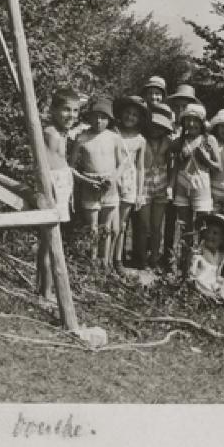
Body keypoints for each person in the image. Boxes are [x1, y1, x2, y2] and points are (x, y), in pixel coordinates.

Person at [36, 87, 80, 301]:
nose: (71, 115)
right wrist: (50, 193)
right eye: (66, 110)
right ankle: (47, 290)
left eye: (75, 111)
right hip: (53, 187)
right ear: (53, 110)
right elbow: (44, 166)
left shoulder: (59, 132)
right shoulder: (50, 134)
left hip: (61, 186)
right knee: (50, 241)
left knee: (49, 240)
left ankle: (43, 286)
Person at [69, 94, 123, 268]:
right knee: (92, 226)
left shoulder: (114, 138)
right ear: (89, 117)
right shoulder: (82, 138)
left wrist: (112, 178)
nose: (99, 121)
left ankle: (105, 261)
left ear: (109, 119)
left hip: (109, 185)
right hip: (89, 184)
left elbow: (122, 164)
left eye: (104, 117)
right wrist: (85, 180)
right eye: (96, 117)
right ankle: (92, 260)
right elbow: (70, 167)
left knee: (106, 227)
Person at [172, 104, 221, 273]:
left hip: (201, 184)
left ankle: (203, 263)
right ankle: (185, 263)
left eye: (195, 121)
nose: (192, 124)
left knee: (203, 225)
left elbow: (218, 166)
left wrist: (206, 159)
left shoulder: (209, 140)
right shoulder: (179, 141)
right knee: (185, 226)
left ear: (202, 123)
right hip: (182, 183)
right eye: (188, 120)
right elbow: (174, 164)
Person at [163, 82, 200, 263]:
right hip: (166, 175)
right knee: (169, 217)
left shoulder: (194, 128)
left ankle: (188, 256)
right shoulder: (166, 125)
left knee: (187, 219)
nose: (179, 109)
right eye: (176, 106)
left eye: (183, 106)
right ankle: (168, 254)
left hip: (188, 178)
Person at [135, 106, 173, 269]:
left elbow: (172, 166)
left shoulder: (168, 143)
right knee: (144, 226)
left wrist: (170, 185)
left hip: (161, 186)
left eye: (160, 127)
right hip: (144, 186)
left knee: (157, 226)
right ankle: (142, 258)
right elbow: (137, 165)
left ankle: (154, 259)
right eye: (153, 126)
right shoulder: (141, 140)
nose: (156, 130)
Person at [112, 94, 146, 275]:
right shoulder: (113, 132)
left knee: (122, 223)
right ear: (121, 113)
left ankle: (117, 260)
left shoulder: (140, 140)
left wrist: (140, 193)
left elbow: (141, 168)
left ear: (139, 119)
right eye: (127, 113)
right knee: (108, 220)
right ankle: (104, 258)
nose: (130, 117)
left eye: (134, 115)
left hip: (129, 182)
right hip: (112, 180)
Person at [188, 212, 224, 304]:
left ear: (222, 239)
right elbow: (191, 277)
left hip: (213, 286)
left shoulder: (220, 255)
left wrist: (223, 282)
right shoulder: (199, 253)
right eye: (208, 232)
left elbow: (216, 276)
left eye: (215, 233)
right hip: (201, 287)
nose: (210, 236)